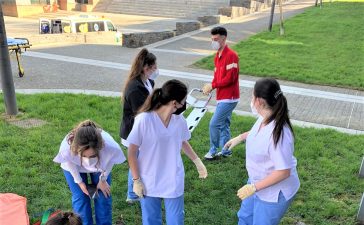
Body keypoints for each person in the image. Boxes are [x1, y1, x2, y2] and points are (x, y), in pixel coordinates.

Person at [127, 79, 208, 225]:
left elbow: (183, 141)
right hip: (148, 179)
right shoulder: (144, 120)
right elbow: (132, 152)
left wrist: (197, 161)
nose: (185, 104)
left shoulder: (179, 120)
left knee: (176, 220)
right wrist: (136, 180)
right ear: (174, 102)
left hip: (173, 178)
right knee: (151, 220)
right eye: (184, 101)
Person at [224, 78, 300, 225]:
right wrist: (240, 137)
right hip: (255, 181)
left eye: (252, 96)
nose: (251, 99)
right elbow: (258, 133)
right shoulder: (266, 116)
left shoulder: (280, 135)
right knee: (245, 217)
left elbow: (284, 171)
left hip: (274, 193)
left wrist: (254, 187)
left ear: (259, 101)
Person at [53, 120, 126, 225]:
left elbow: (111, 161)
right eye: (84, 156)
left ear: (100, 148)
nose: (88, 161)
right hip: (75, 166)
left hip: (100, 166)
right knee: (80, 198)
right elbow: (69, 163)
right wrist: (79, 182)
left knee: (103, 195)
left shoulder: (110, 147)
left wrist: (103, 179)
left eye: (92, 156)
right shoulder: (67, 148)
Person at [120, 48, 158, 204]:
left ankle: (134, 192)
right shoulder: (135, 88)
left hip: (141, 129)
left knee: (138, 160)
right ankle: (132, 194)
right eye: (154, 67)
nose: (156, 70)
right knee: (136, 161)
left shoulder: (149, 81)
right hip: (133, 131)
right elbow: (142, 113)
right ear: (145, 68)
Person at [202, 26, 240, 160]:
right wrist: (210, 87)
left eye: (216, 39)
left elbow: (230, 79)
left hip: (230, 98)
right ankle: (226, 151)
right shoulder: (217, 56)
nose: (213, 41)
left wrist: (213, 85)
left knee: (214, 123)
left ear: (224, 38)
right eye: (212, 39)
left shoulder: (232, 56)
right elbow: (217, 77)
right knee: (224, 124)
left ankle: (213, 150)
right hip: (222, 97)